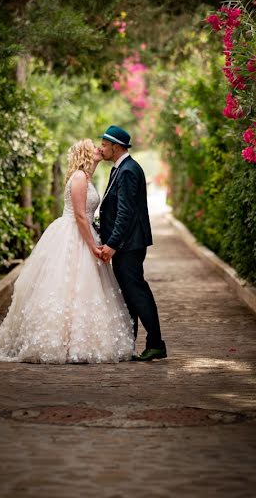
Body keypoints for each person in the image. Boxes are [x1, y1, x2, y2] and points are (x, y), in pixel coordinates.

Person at [0, 139, 134, 364]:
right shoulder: (80, 177)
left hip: (83, 232)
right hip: (74, 234)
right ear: (85, 153)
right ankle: (62, 341)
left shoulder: (86, 177)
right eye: (94, 146)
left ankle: (76, 340)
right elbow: (81, 216)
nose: (99, 149)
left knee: (80, 289)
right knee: (66, 286)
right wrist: (92, 245)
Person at [97, 125, 167, 361]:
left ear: (116, 147)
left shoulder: (127, 170)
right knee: (129, 294)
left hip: (129, 245)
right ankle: (130, 343)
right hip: (127, 244)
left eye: (105, 145)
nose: (102, 148)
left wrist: (113, 244)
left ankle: (156, 343)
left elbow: (125, 213)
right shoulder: (121, 168)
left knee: (137, 293)